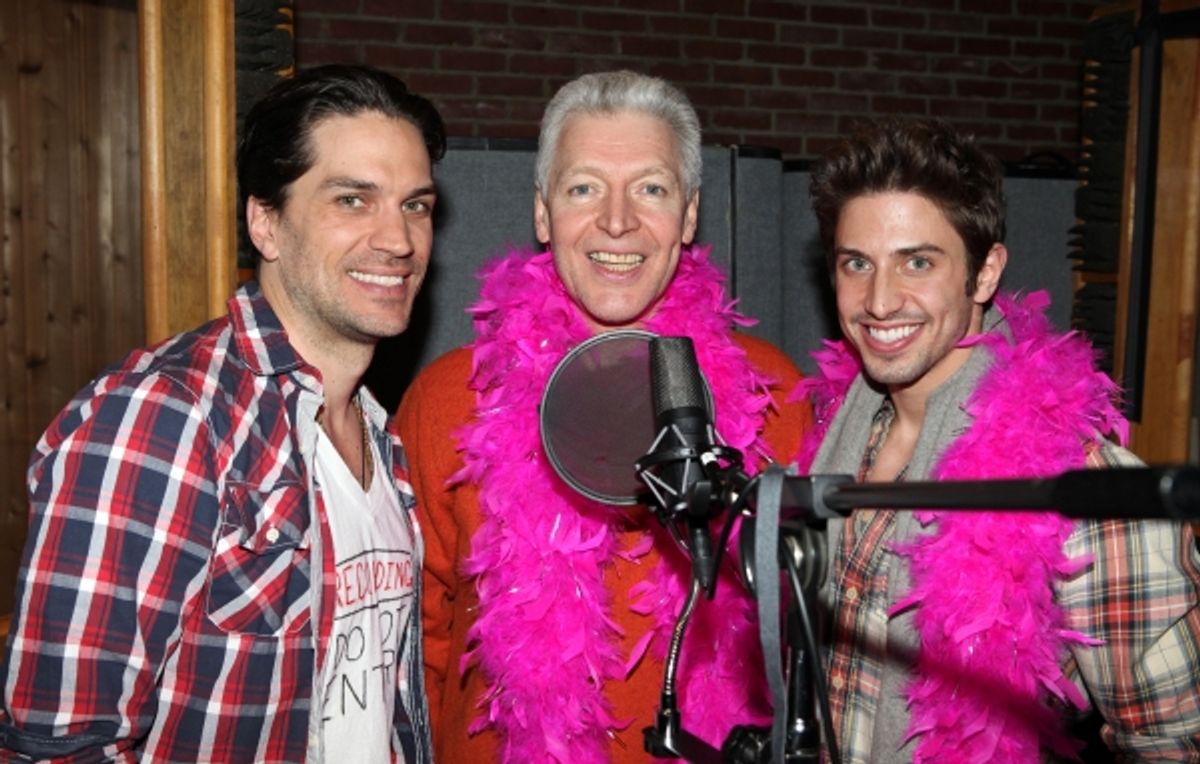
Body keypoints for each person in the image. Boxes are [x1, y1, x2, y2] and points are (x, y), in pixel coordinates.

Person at [0, 64, 443, 763]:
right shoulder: (162, 417)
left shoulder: (380, 433)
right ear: (265, 223)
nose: (398, 240)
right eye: (353, 200)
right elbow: (56, 745)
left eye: (415, 205)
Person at [395, 70, 812, 762]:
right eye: (584, 187)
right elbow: (415, 653)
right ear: (541, 212)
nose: (617, 221)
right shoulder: (448, 401)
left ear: (688, 215)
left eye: (650, 188)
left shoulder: (774, 396)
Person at [793, 117, 1200, 762]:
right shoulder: (830, 435)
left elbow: (1173, 740)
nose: (879, 300)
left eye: (917, 262)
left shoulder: (1078, 484)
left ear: (984, 275)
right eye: (857, 264)